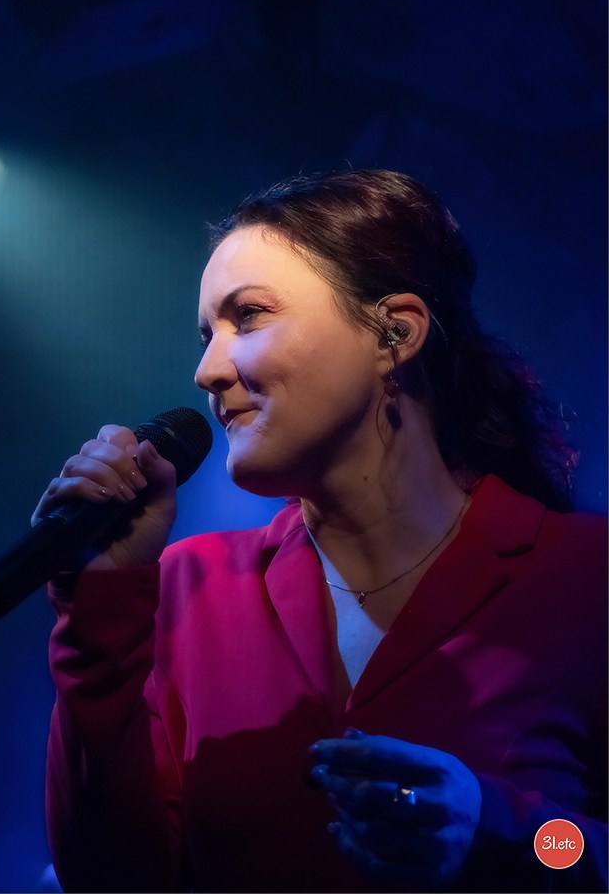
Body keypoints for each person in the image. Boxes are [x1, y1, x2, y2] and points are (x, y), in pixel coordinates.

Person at [37, 170, 607, 893]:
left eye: (249, 316)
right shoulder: (189, 587)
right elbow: (112, 879)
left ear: (395, 333)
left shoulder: (585, 578)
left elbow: (582, 851)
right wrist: (97, 615)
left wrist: (504, 831)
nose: (207, 370)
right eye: (207, 335)